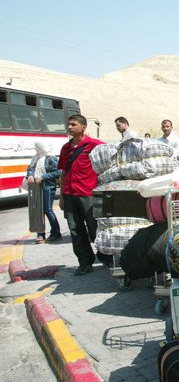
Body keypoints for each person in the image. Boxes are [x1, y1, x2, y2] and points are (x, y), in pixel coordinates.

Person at [58, 115, 112, 275]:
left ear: (83, 127)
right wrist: (61, 196)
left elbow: (110, 157)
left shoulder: (95, 145)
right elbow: (63, 172)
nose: (69, 127)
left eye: (73, 124)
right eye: (68, 124)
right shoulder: (65, 148)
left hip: (88, 194)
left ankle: (105, 257)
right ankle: (85, 262)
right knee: (75, 230)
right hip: (69, 194)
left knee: (96, 228)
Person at [25, 142, 62, 243]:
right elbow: (30, 169)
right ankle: (40, 234)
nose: (36, 149)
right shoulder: (36, 158)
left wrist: (43, 177)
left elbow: (58, 172)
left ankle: (56, 233)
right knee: (38, 210)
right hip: (36, 188)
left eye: (38, 147)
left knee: (47, 210)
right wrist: (30, 175)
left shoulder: (51, 158)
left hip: (48, 187)